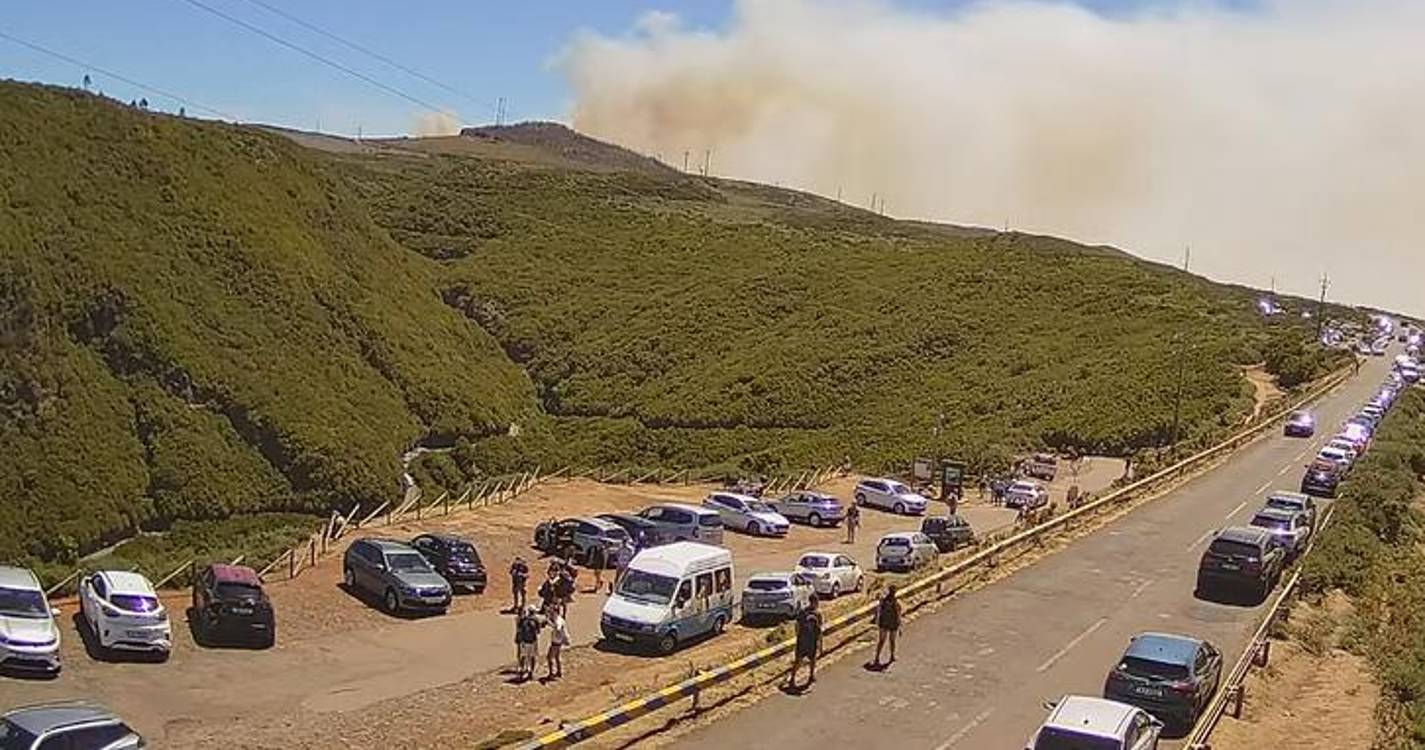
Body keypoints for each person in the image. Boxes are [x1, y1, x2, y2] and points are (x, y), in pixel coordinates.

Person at [787, 596, 823, 690]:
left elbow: (818, 630)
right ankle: (793, 679)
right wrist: (798, 635)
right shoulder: (808, 613)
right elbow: (798, 625)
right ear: (813, 602)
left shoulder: (812, 613)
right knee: (800, 661)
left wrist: (820, 643)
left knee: (811, 660)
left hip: (808, 641)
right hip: (806, 641)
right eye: (816, 602)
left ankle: (810, 676)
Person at [872, 586, 901, 667]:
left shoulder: (884, 601)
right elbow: (898, 614)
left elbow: (878, 611)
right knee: (890, 641)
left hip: (884, 623)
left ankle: (878, 658)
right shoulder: (896, 602)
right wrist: (899, 625)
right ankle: (890, 656)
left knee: (882, 641)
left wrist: (877, 622)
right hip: (891, 623)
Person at [514, 606, 544, 681]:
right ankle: (531, 672)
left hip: (524, 641)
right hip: (533, 641)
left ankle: (522, 670)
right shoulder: (535, 620)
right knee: (532, 657)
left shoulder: (523, 619)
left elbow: (519, 629)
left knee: (523, 656)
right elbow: (538, 632)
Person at [545, 604, 569, 680]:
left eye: (552, 611)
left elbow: (558, 629)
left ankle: (551, 674)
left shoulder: (558, 621)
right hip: (558, 641)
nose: (551, 613)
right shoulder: (559, 619)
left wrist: (560, 638)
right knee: (557, 657)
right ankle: (559, 672)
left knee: (549, 657)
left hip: (556, 642)